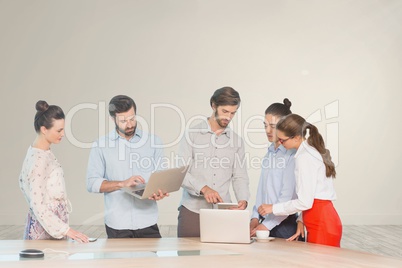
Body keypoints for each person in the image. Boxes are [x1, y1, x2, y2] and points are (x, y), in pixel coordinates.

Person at [86, 95, 168, 239]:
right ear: (113, 119)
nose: (129, 124)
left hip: (148, 221)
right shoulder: (101, 145)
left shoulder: (153, 141)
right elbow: (92, 183)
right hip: (117, 224)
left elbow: (160, 177)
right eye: (123, 121)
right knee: (120, 262)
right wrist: (122, 184)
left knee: (151, 262)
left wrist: (159, 190)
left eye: (132, 118)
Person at [257, 114, 342, 247]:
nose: (279, 143)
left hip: (321, 222)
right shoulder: (309, 151)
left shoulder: (304, 157)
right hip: (321, 219)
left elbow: (305, 202)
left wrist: (272, 208)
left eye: (282, 140)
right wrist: (302, 220)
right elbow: (312, 194)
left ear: (296, 137)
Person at [177, 87, 250, 237]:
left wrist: (243, 199)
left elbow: (240, 176)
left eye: (233, 113)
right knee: (188, 259)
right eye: (225, 111)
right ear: (213, 105)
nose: (228, 117)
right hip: (192, 211)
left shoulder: (236, 141)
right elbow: (180, 172)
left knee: (223, 259)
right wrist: (204, 188)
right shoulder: (192, 135)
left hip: (223, 213)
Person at [19, 100, 89, 243]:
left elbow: (24, 183)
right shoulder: (39, 159)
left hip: (52, 227)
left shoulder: (41, 152)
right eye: (59, 130)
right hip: (45, 232)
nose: (63, 134)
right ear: (44, 129)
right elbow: (37, 204)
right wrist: (67, 230)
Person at [250, 99, 301, 239]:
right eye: (265, 125)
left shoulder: (292, 156)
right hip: (264, 223)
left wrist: (266, 225)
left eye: (273, 126)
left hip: (283, 226)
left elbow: (288, 197)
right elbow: (261, 191)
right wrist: (254, 218)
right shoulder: (269, 154)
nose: (267, 130)